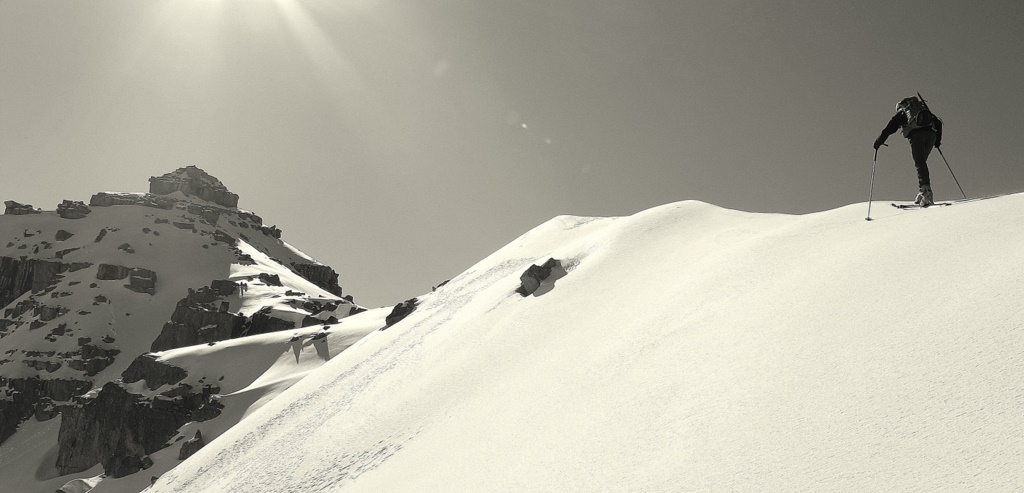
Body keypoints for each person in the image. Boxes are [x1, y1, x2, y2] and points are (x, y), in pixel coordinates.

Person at [874, 96, 944, 206]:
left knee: (919, 162)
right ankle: (922, 190)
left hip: (917, 136)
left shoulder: (903, 112)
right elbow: (938, 123)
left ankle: (926, 192)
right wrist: (937, 141)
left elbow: (890, 127)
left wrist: (879, 141)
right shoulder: (921, 109)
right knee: (921, 162)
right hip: (931, 135)